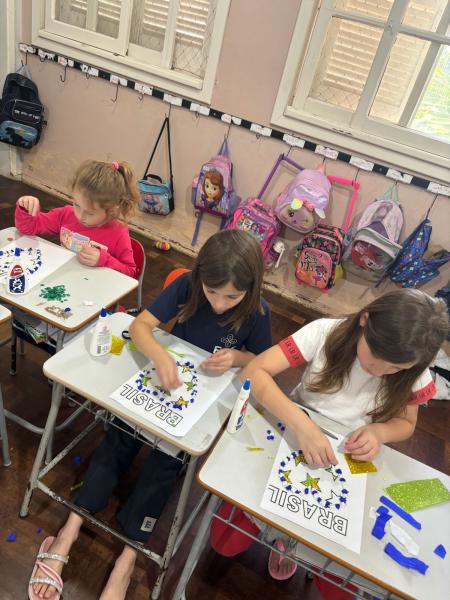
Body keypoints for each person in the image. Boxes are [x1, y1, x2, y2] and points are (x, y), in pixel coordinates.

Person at [29, 229, 272, 600]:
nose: (221, 304)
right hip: (164, 385)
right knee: (118, 439)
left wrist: (238, 357)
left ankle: (127, 559)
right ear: (201, 276)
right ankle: (70, 529)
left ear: (251, 289)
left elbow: (263, 361)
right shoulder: (190, 285)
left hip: (199, 403)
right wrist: (160, 356)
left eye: (232, 297)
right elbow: (140, 326)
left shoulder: (257, 312)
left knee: (163, 467)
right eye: (213, 292)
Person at [242, 288, 449, 580]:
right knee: (240, 528)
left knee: (340, 544)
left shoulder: (414, 370)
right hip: (295, 424)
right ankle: (282, 535)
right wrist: (302, 424)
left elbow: (406, 424)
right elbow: (251, 372)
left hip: (349, 451)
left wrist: (379, 432)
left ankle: (301, 545)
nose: (380, 371)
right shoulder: (324, 333)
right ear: (365, 319)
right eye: (376, 355)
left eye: (396, 368)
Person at [15, 159, 139, 277]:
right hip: (63, 278)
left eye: (90, 213)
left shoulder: (118, 233)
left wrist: (104, 260)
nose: (80, 216)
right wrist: (26, 209)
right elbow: (29, 228)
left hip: (95, 291)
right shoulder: (66, 214)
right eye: (76, 205)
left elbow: (130, 272)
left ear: (112, 209)